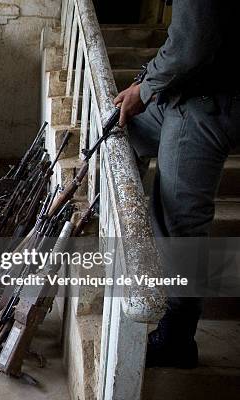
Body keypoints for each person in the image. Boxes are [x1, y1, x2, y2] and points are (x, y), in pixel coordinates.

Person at [114, 2, 240, 368]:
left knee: (178, 222)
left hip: (207, 100)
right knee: (123, 124)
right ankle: (127, 241)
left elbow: (193, 42)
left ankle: (178, 337)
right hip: (188, 91)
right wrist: (148, 82)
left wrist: (149, 83)